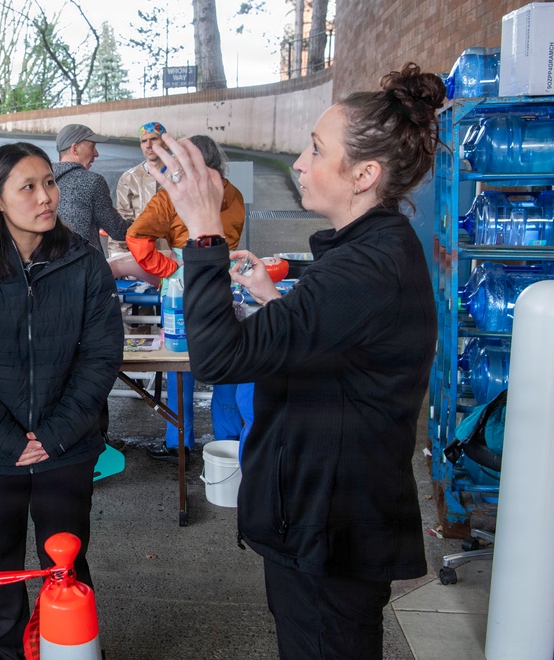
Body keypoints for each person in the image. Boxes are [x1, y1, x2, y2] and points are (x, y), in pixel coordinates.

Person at [152, 63, 443, 658]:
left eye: (315, 150)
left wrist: (205, 231)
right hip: (324, 516)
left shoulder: (366, 266)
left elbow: (218, 357)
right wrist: (274, 300)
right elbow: (337, 337)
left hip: (330, 525)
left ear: (364, 174)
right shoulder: (371, 251)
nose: (300, 164)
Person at [0, 142, 123, 660]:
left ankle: (72, 651)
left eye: (50, 183)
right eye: (29, 187)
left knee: (67, 566)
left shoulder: (84, 263)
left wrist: (55, 434)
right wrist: (8, 439)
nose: (46, 197)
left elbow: (101, 357)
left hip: (68, 449)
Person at [125, 136, 246, 463]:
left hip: (182, 286)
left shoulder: (170, 198)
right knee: (228, 365)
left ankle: (179, 444)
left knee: (180, 366)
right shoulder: (232, 193)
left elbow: (135, 235)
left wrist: (165, 267)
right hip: (227, 280)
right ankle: (230, 443)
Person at [51, 123, 128, 255]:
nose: (96, 154)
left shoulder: (42, 181)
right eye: (92, 147)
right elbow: (118, 231)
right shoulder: (92, 182)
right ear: (74, 149)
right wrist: (147, 223)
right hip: (85, 269)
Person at [113, 121, 168, 256]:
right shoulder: (129, 178)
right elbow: (122, 219)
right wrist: (118, 255)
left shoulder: (179, 173)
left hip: (174, 253)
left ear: (165, 142)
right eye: (144, 141)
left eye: (154, 139)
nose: (148, 145)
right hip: (142, 254)